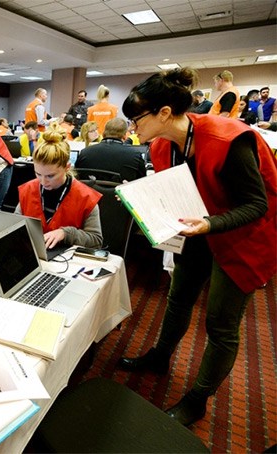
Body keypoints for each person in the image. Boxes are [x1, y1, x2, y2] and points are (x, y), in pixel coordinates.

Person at [117, 67, 276, 427]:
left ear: (164, 114)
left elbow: (257, 205)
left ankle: (198, 398)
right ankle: (160, 356)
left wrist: (210, 224)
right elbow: (177, 191)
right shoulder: (162, 145)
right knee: (178, 297)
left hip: (244, 234)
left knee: (221, 324)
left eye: (136, 120)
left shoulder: (228, 139)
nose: (132, 129)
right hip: (198, 229)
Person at [15, 126, 102, 249]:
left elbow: (96, 240)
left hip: (68, 261)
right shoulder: (29, 189)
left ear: (67, 167)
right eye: (38, 174)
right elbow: (14, 226)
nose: (43, 181)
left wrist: (66, 234)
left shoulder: (86, 197)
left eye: (50, 176)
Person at [76, 118, 146, 182]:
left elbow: (77, 177)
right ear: (124, 135)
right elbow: (142, 181)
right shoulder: (134, 155)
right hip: (120, 195)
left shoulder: (84, 153)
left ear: (104, 133)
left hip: (91, 194)